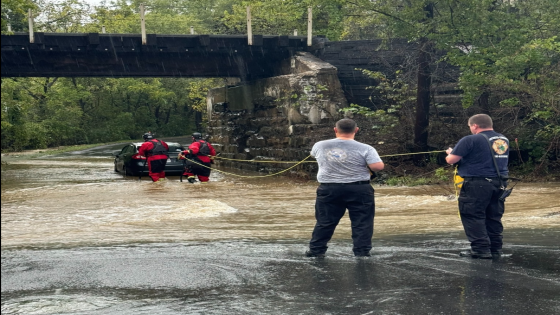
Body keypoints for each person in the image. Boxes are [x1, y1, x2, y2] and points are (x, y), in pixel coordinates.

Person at [306, 118, 384, 258]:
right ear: (356, 130)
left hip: (329, 189)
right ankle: (362, 252)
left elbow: (313, 155)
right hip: (359, 189)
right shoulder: (366, 148)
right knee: (362, 222)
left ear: (335, 130)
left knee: (325, 221)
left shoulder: (320, 145)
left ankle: (316, 250)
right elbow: (377, 167)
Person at [446, 114, 509, 259]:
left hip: (477, 184)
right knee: (493, 216)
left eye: (470, 127)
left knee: (473, 215)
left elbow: (451, 160)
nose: (470, 129)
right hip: (499, 183)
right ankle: (495, 248)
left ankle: (480, 249)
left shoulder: (470, 139)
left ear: (475, 126)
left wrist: (450, 153)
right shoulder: (503, 139)